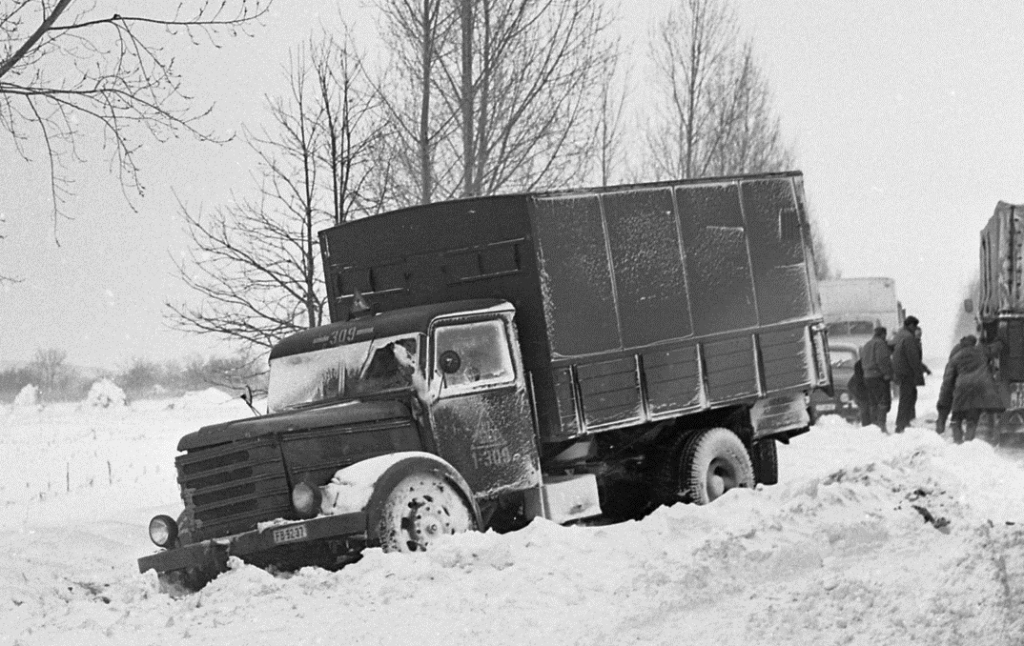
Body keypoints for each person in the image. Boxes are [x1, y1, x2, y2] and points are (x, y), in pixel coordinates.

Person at [941, 336, 1005, 443]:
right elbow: (993, 349)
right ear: (973, 343)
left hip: (961, 389)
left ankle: (958, 442)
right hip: (978, 390)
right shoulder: (980, 352)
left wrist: (944, 401)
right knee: (972, 420)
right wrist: (1000, 342)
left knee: (956, 420)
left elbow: (948, 380)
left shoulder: (956, 357)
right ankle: (969, 443)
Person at [891, 315, 928, 433]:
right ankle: (902, 424)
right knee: (907, 397)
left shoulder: (900, 335)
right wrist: (918, 374)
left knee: (909, 396)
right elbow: (913, 358)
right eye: (915, 325)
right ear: (911, 325)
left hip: (901, 371)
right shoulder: (908, 338)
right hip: (907, 372)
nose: (916, 328)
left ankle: (906, 422)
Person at [936, 335, 978, 435]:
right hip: (963, 382)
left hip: (955, 381)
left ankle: (942, 423)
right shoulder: (972, 351)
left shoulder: (957, 349)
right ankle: (966, 431)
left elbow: (948, 381)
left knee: (947, 399)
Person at [860, 326, 893, 432]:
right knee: (883, 402)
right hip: (878, 377)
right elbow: (882, 360)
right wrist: (887, 373)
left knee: (873, 402)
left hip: (867, 376)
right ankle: (881, 426)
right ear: (883, 334)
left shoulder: (867, 344)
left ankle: (874, 426)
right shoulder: (880, 344)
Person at [847, 359, 872, 426]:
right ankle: (866, 425)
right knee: (865, 407)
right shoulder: (862, 364)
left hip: (857, 387)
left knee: (865, 407)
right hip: (859, 389)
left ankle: (863, 421)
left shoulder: (861, 363)